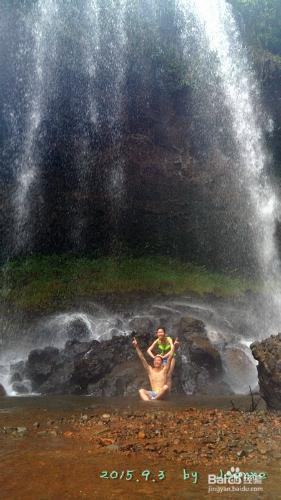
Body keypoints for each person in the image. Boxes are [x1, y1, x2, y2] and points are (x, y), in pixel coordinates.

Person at [132, 336, 179, 401]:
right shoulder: (150, 370)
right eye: (155, 360)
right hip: (153, 393)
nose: (156, 361)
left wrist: (174, 347)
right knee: (141, 391)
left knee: (165, 387)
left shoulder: (165, 370)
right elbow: (142, 358)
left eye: (159, 360)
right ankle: (148, 403)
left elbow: (170, 358)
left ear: (162, 363)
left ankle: (154, 401)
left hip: (162, 393)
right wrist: (136, 347)